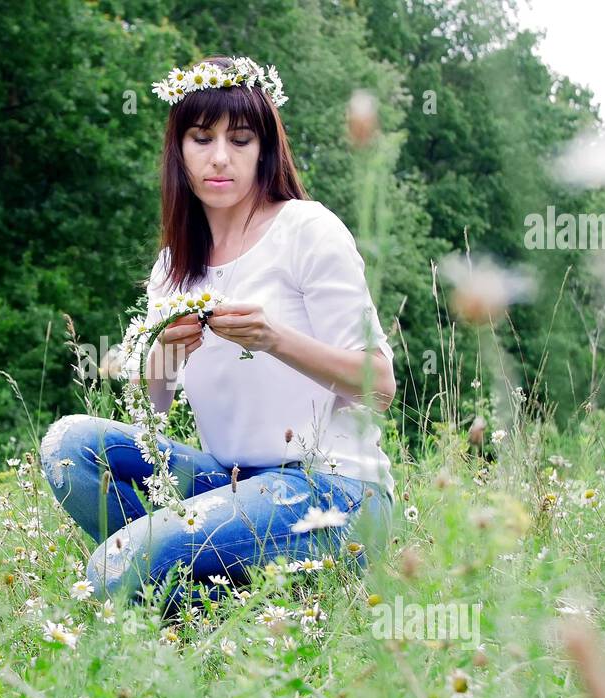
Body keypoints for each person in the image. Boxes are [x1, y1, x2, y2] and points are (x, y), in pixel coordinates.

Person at [40, 55, 396, 615]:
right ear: (179, 152)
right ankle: (219, 604)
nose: (220, 158)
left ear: (265, 150)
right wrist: (164, 352)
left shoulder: (307, 229)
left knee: (122, 559)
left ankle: (170, 588)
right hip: (229, 481)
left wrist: (274, 338)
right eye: (201, 139)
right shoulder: (174, 267)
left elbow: (379, 386)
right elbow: (153, 411)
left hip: (331, 490)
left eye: (241, 139)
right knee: (69, 448)